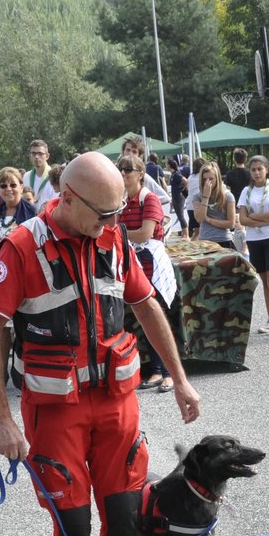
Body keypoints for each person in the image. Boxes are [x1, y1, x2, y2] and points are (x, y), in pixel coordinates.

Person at [0, 151, 201, 536]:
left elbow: (146, 306)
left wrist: (182, 379)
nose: (111, 224)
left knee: (125, 513)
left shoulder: (113, 237)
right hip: (56, 412)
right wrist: (0, 419)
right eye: (103, 214)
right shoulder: (22, 246)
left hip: (117, 404)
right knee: (73, 522)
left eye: (117, 214)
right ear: (68, 199)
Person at [116, 153, 172, 392]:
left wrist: (120, 231)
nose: (123, 173)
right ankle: (157, 370)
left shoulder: (149, 199)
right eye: (121, 169)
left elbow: (146, 233)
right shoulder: (120, 201)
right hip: (131, 263)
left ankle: (168, 373)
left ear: (140, 174)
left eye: (128, 169)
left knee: (157, 319)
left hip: (151, 265)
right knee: (145, 320)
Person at [239, 155, 269, 336]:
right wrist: (262, 219)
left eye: (260, 169)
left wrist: (254, 218)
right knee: (265, 282)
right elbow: (242, 219)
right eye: (253, 170)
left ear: (267, 169)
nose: (257, 173)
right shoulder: (246, 191)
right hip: (254, 239)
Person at [0, 167, 37, 272]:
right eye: (3, 186)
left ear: (21, 187)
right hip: (0, 272)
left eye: (13, 185)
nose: (8, 189)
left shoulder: (32, 213)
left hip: (25, 271)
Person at [193, 162, 238, 250]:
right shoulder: (197, 197)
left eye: (211, 179)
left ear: (217, 179)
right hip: (205, 241)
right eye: (204, 179)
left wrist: (209, 220)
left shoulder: (228, 196)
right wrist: (205, 197)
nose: (207, 182)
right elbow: (200, 218)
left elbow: (231, 224)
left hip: (224, 240)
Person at [25, 141, 57, 210]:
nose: (36, 157)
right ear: (30, 156)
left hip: (47, 217)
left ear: (47, 156)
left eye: (40, 153)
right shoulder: (26, 176)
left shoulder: (54, 177)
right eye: (33, 153)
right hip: (29, 218)